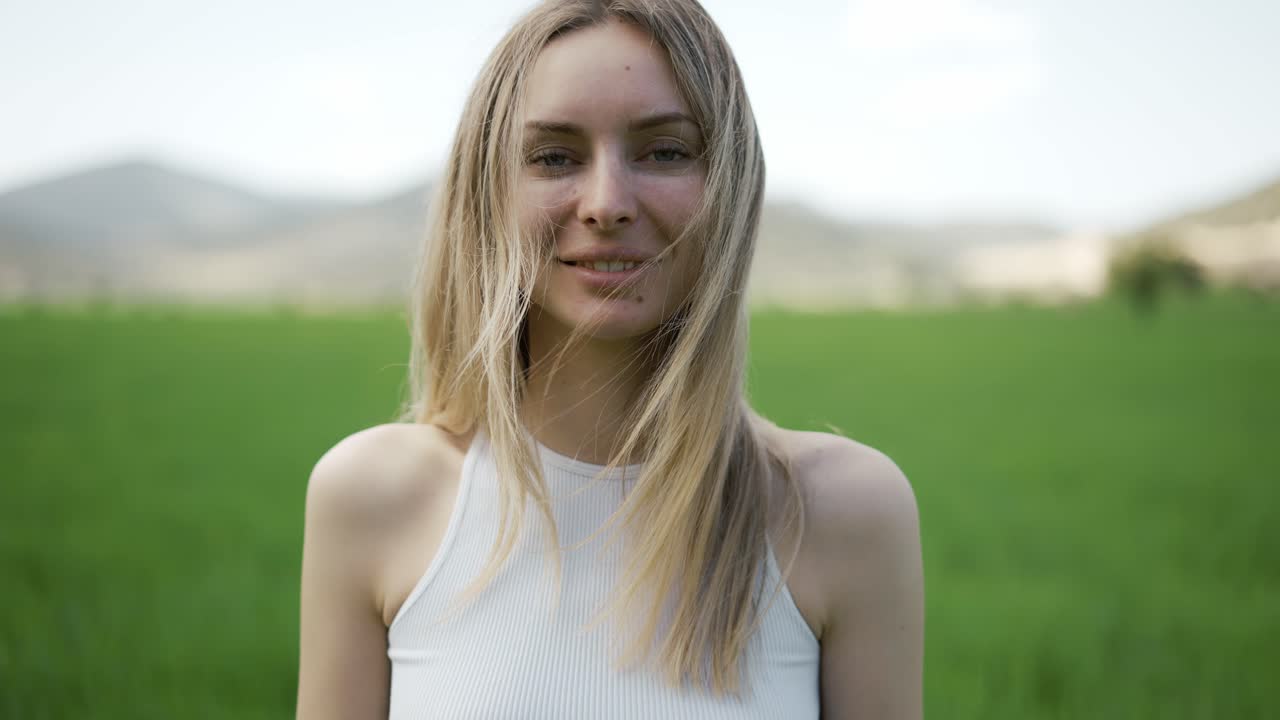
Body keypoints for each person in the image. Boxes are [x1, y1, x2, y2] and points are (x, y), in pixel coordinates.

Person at [295, 0, 923, 717]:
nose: (606, 203)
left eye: (664, 151)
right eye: (554, 156)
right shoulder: (372, 499)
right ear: (487, 194)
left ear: (731, 188)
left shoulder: (842, 514)